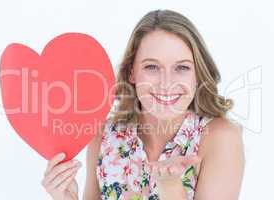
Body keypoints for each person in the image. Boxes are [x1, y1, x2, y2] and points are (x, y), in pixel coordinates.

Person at [41, 9, 245, 200]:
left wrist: (171, 188)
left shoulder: (220, 138)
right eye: (152, 67)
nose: (166, 84)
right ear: (131, 72)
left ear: (198, 74)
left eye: (182, 67)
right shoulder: (104, 136)